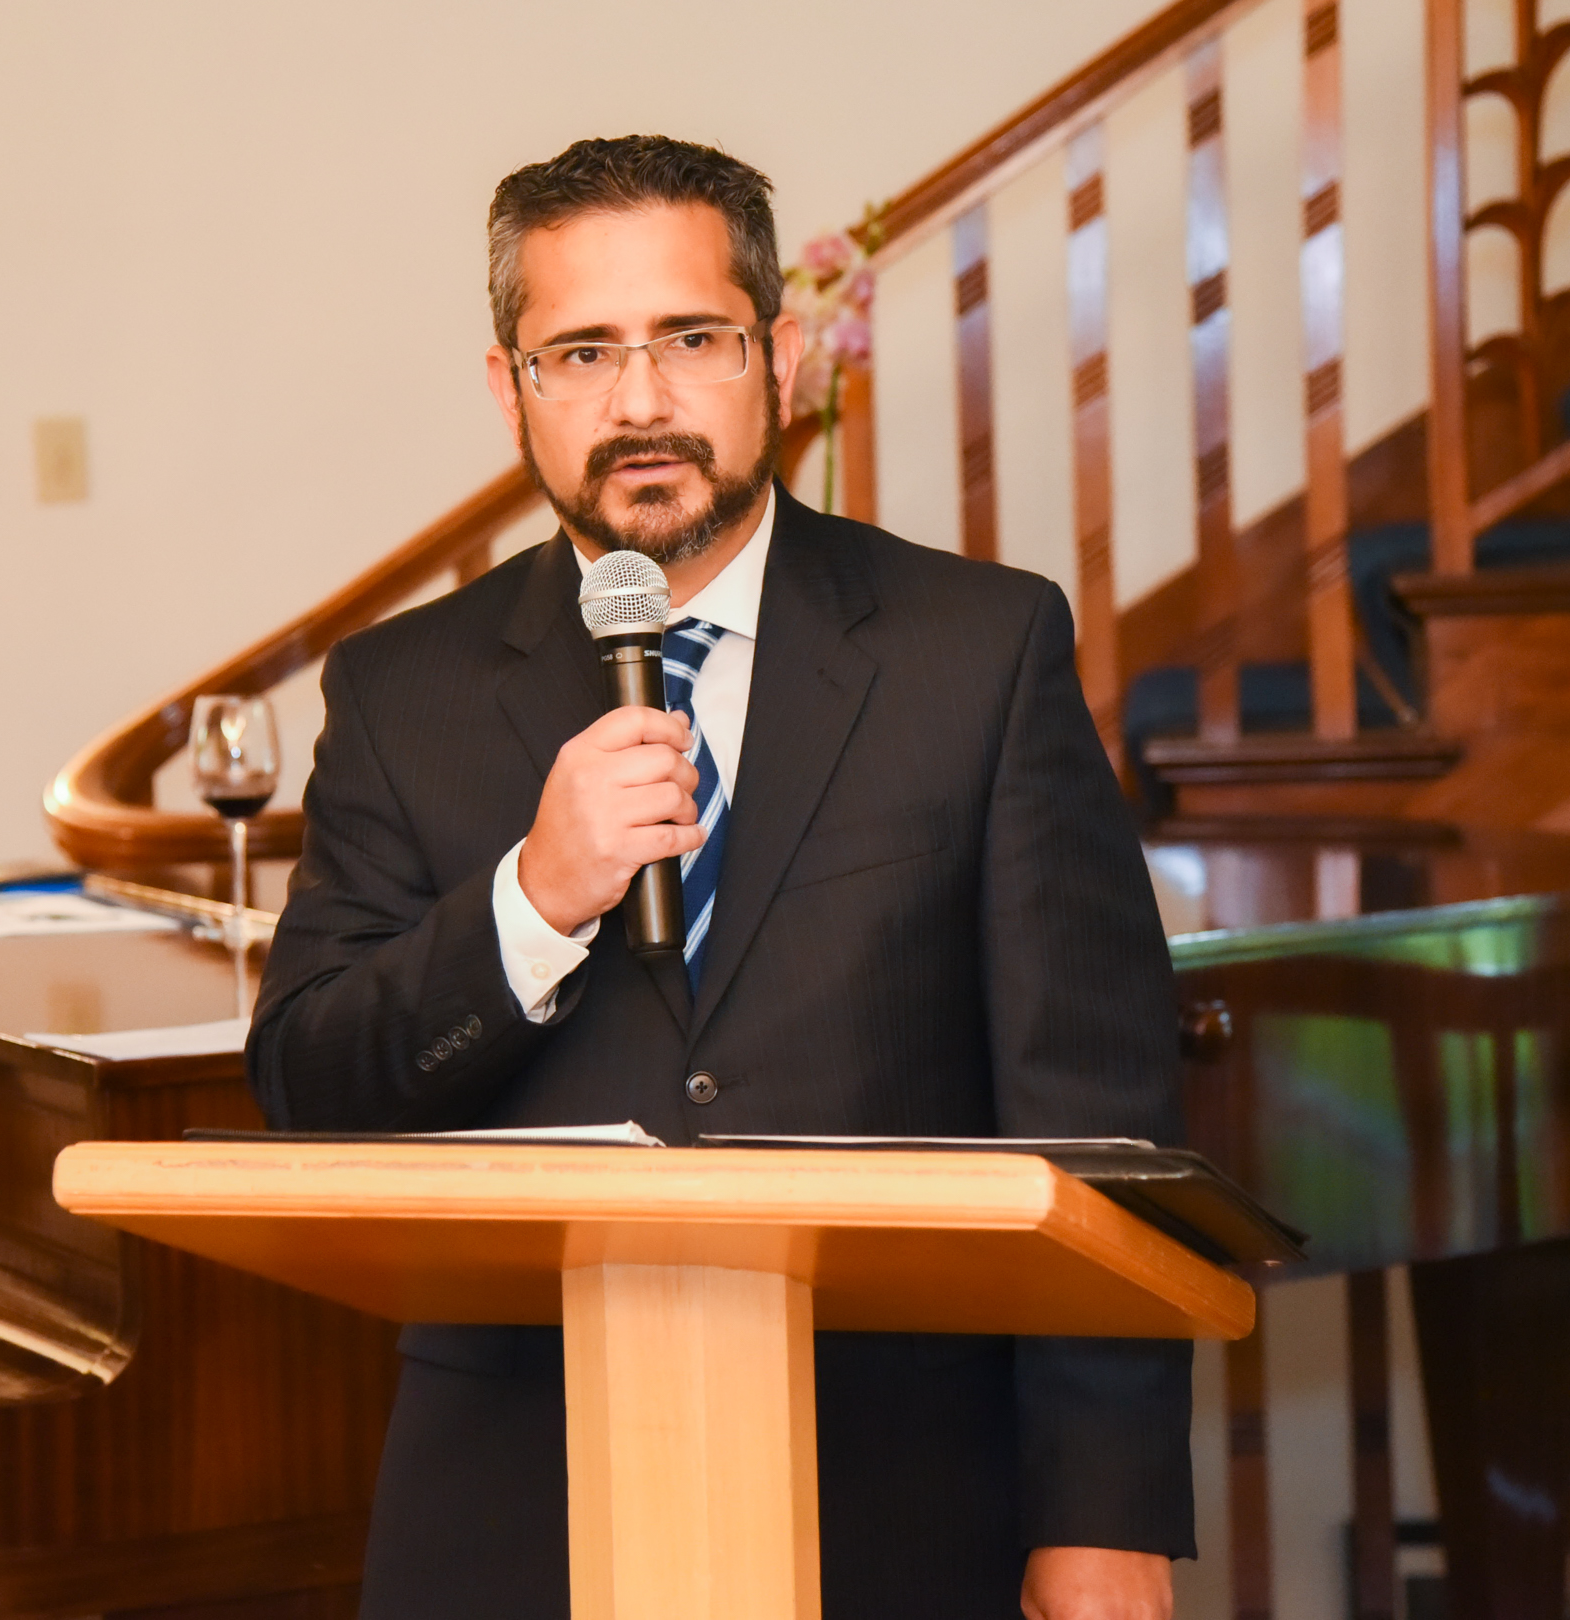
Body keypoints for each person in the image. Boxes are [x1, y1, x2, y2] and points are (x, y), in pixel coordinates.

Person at [248, 134, 1191, 1620]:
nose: (641, 403)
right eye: (582, 353)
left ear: (781, 359)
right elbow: (310, 1088)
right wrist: (531, 901)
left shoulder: (979, 651)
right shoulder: (399, 691)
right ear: (509, 388)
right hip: (515, 1504)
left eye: (692, 339)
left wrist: (1105, 1516)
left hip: (902, 1494)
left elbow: (1096, 1119)